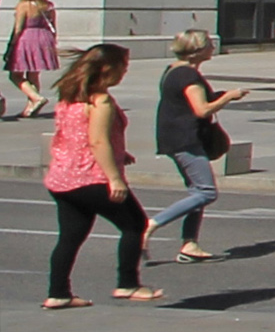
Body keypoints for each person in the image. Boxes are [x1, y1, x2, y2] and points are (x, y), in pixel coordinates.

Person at [41, 43, 158, 308]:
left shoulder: (70, 95)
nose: (124, 72)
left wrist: (120, 153)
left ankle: (58, 293)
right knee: (134, 224)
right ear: (106, 68)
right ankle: (128, 284)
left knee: (70, 237)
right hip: (91, 178)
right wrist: (114, 178)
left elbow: (77, 135)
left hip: (63, 178)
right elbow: (97, 141)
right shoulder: (101, 101)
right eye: (123, 67)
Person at [145, 31, 243, 263]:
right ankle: (151, 224)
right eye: (209, 44)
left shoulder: (173, 70)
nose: (213, 47)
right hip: (185, 139)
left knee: (195, 191)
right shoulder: (188, 75)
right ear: (198, 50)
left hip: (174, 136)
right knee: (206, 192)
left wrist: (217, 96)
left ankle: (190, 244)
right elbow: (201, 110)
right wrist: (229, 96)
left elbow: (187, 103)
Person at [10, 0, 58, 117]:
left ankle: (36, 98)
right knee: (34, 73)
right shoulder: (48, 6)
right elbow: (54, 26)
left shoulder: (23, 5)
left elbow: (18, 28)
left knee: (15, 74)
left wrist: (12, 44)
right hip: (44, 38)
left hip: (27, 38)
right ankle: (30, 107)